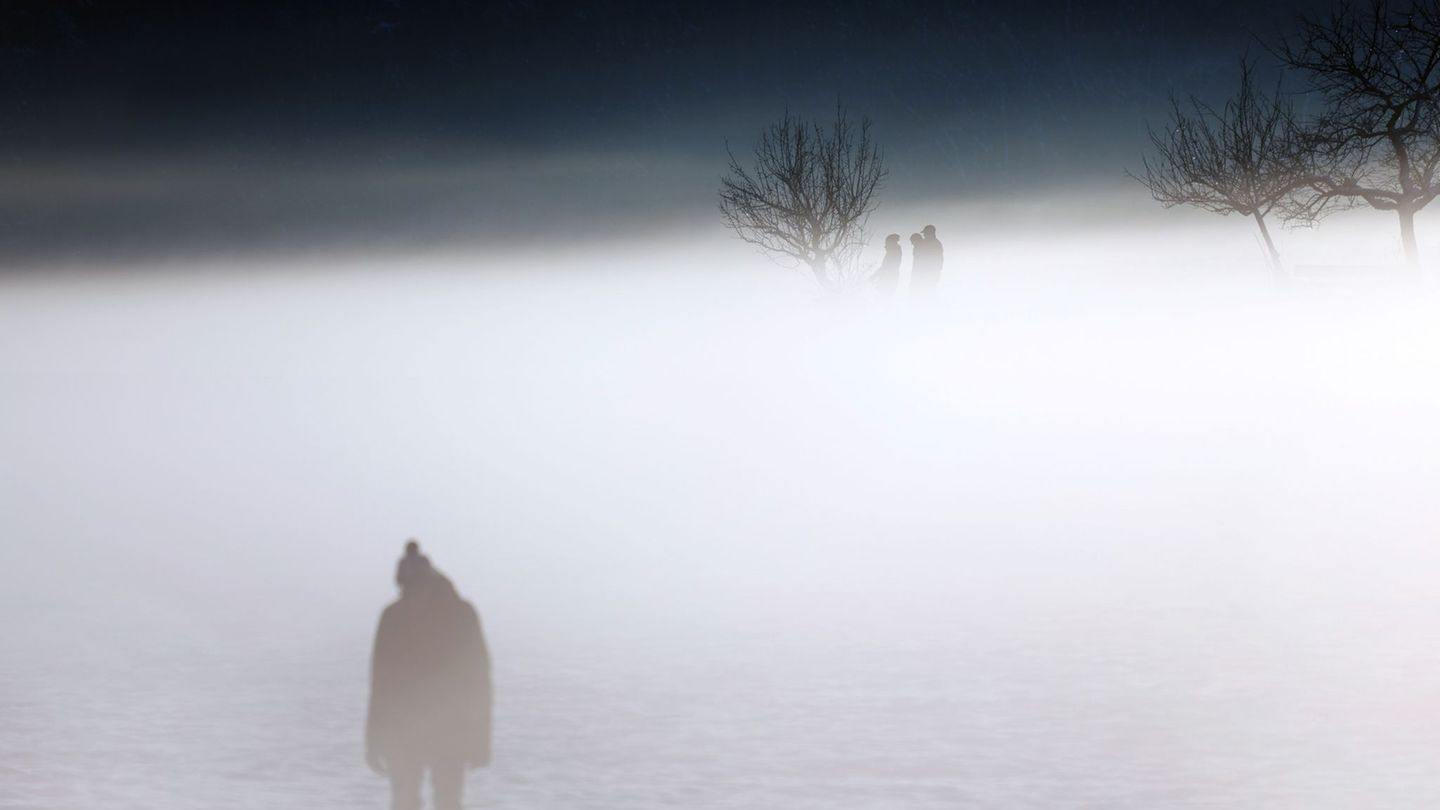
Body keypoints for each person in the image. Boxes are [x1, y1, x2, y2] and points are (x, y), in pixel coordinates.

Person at [368, 542, 493, 810]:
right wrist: (374, 739)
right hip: (414, 730)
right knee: (412, 802)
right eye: (404, 588)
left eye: (410, 586)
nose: (407, 593)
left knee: (442, 802)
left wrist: (481, 738)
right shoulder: (456, 615)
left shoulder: (457, 615)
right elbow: (380, 683)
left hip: (442, 730)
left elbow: (478, 680)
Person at [910, 224, 944, 298]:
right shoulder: (928, 243)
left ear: (930, 233)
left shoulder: (932, 244)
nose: (924, 235)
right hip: (928, 272)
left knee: (927, 291)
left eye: (925, 233)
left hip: (929, 272)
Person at [870, 234, 902, 299]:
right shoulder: (893, 252)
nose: (886, 244)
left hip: (888, 279)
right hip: (889, 278)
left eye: (887, 242)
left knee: (884, 297)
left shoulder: (893, 253)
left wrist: (874, 276)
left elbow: (885, 267)